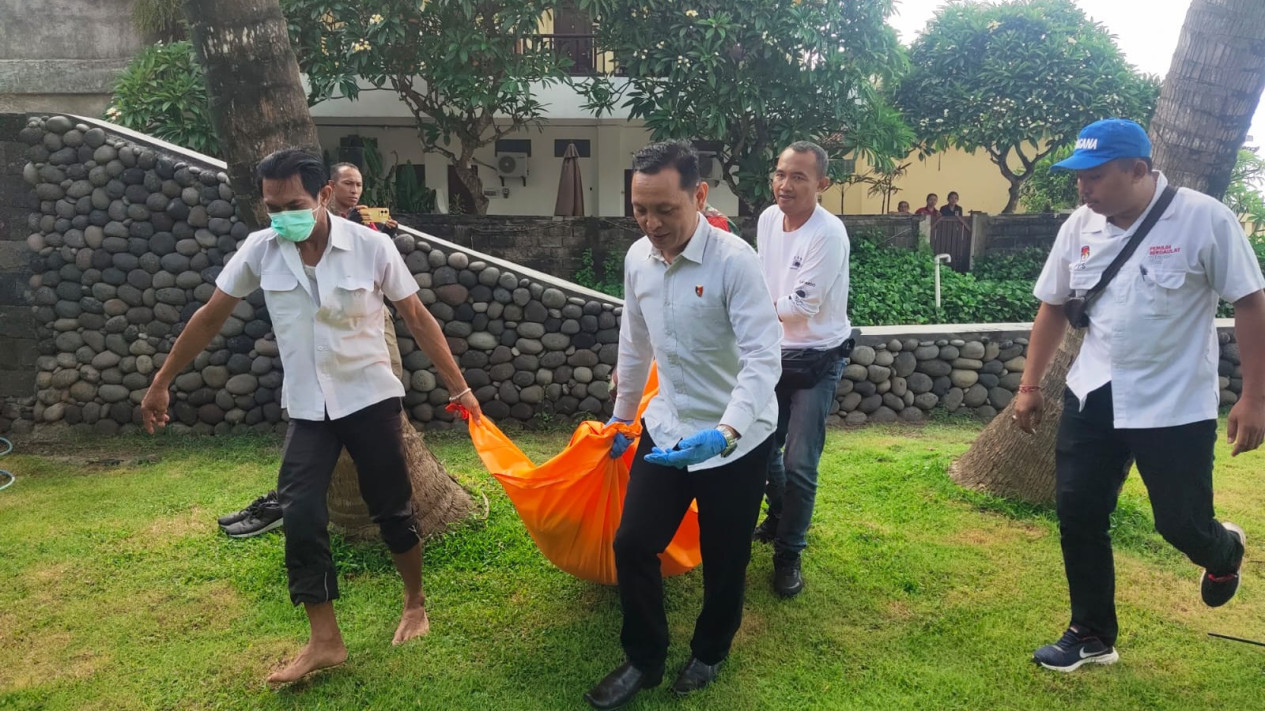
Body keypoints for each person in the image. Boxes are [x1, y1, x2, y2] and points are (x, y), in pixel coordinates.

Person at [140, 148, 482, 685]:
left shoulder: (372, 247)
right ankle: (325, 639)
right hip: (308, 405)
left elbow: (416, 316)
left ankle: (415, 602)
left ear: (324, 196)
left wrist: (460, 387)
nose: (281, 216)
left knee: (391, 509)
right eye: (272, 207)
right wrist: (161, 382)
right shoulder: (261, 250)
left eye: (293, 204)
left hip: (370, 398)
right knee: (299, 511)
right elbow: (211, 316)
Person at [1015, 119, 1265, 672]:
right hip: (1094, 390)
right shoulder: (1080, 227)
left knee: (1178, 523)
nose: (1084, 188)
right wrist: (1030, 386)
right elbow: (1053, 306)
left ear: (1138, 170)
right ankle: (1091, 633)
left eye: (1096, 176)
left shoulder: (1204, 218)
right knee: (1078, 511)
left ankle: (1223, 551)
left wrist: (1255, 397)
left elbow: (1250, 300)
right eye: (1079, 177)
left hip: (1174, 401)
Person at [584, 141, 782, 709]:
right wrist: (623, 419)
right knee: (633, 543)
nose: (651, 224)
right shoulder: (637, 260)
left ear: (699, 195)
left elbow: (763, 359)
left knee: (725, 557)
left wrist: (726, 433)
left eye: (665, 210)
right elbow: (634, 340)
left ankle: (711, 650)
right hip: (667, 428)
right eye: (640, 209)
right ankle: (644, 659)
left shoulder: (734, 262)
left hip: (735, 439)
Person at [751, 141, 852, 598]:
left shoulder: (828, 234)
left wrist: (747, 310)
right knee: (761, 444)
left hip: (817, 357)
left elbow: (802, 307)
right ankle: (778, 515)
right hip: (773, 352)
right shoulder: (769, 219)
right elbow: (761, 277)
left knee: (800, 460)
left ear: (822, 184)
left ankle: (789, 552)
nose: (784, 185)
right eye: (780, 174)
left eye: (798, 177)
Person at [328, 162, 399, 234]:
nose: (354, 190)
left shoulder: (361, 214)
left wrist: (386, 233)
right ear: (332, 185)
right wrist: (350, 224)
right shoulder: (320, 214)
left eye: (359, 185)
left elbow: (374, 243)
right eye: (348, 183)